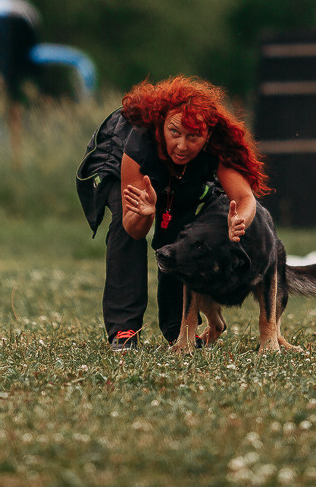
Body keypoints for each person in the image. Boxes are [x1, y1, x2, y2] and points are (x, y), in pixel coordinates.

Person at [102, 76, 271, 351]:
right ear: (162, 125)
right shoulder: (138, 145)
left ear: (207, 137)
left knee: (181, 238)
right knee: (124, 232)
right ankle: (124, 330)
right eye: (175, 132)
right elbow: (133, 229)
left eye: (193, 137)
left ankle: (177, 330)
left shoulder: (216, 148)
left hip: (178, 182)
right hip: (122, 171)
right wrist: (146, 213)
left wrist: (239, 221)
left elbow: (244, 198)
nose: (182, 145)